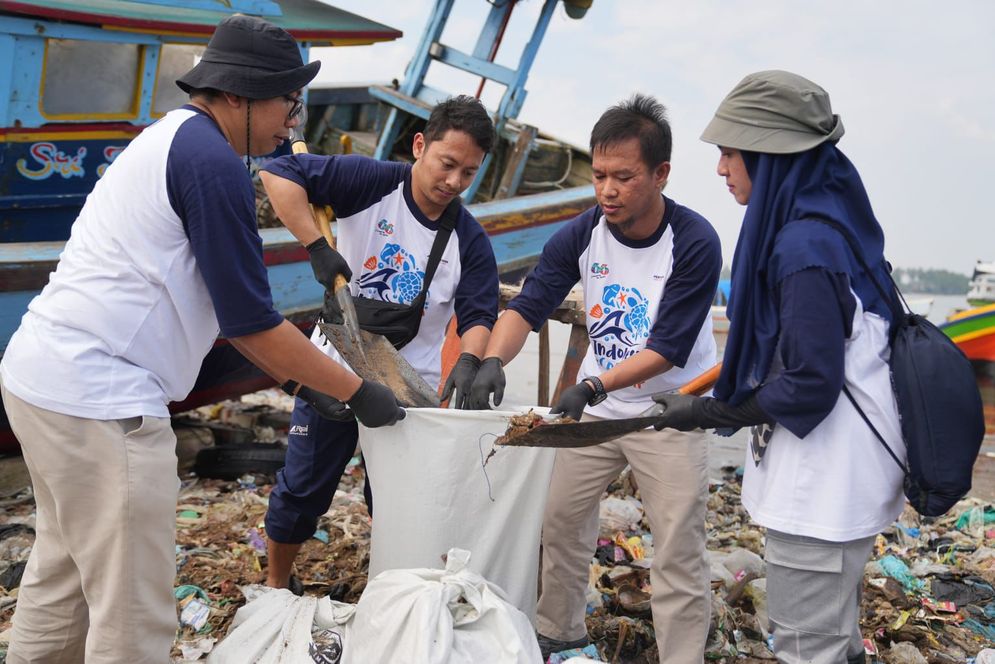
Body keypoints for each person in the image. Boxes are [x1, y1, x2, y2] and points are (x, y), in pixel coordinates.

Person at [0, 15, 404, 664]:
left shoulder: (170, 137)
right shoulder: (213, 164)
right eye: (287, 103)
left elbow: (226, 315)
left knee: (64, 576)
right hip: (102, 402)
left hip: (41, 382)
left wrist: (302, 383)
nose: (293, 122)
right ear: (240, 96)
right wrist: (361, 394)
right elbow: (253, 323)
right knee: (135, 619)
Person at [651, 70, 905, 664]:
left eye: (728, 153)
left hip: (824, 490)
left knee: (805, 648)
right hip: (840, 482)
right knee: (835, 643)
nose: (720, 169)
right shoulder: (829, 227)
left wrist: (708, 411)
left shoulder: (803, 247)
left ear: (769, 157)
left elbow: (809, 383)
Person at [468, 94, 721, 662]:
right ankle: (558, 632)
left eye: (624, 177)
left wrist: (592, 386)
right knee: (559, 520)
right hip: (598, 410)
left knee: (678, 545)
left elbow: (667, 348)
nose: (607, 189)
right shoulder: (583, 233)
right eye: (600, 174)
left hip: (670, 410)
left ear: (660, 174)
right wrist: (490, 361)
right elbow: (530, 305)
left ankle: (682, 655)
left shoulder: (695, 240)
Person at [259, 95, 499, 590]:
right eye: (446, 164)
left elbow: (478, 311)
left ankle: (395, 588)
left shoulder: (468, 238)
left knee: (400, 500)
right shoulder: (369, 181)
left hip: (407, 390)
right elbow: (279, 172)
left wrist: (473, 358)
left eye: (468, 173)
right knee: (302, 488)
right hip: (334, 370)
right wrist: (317, 246)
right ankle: (277, 581)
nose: (453, 182)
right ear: (419, 145)